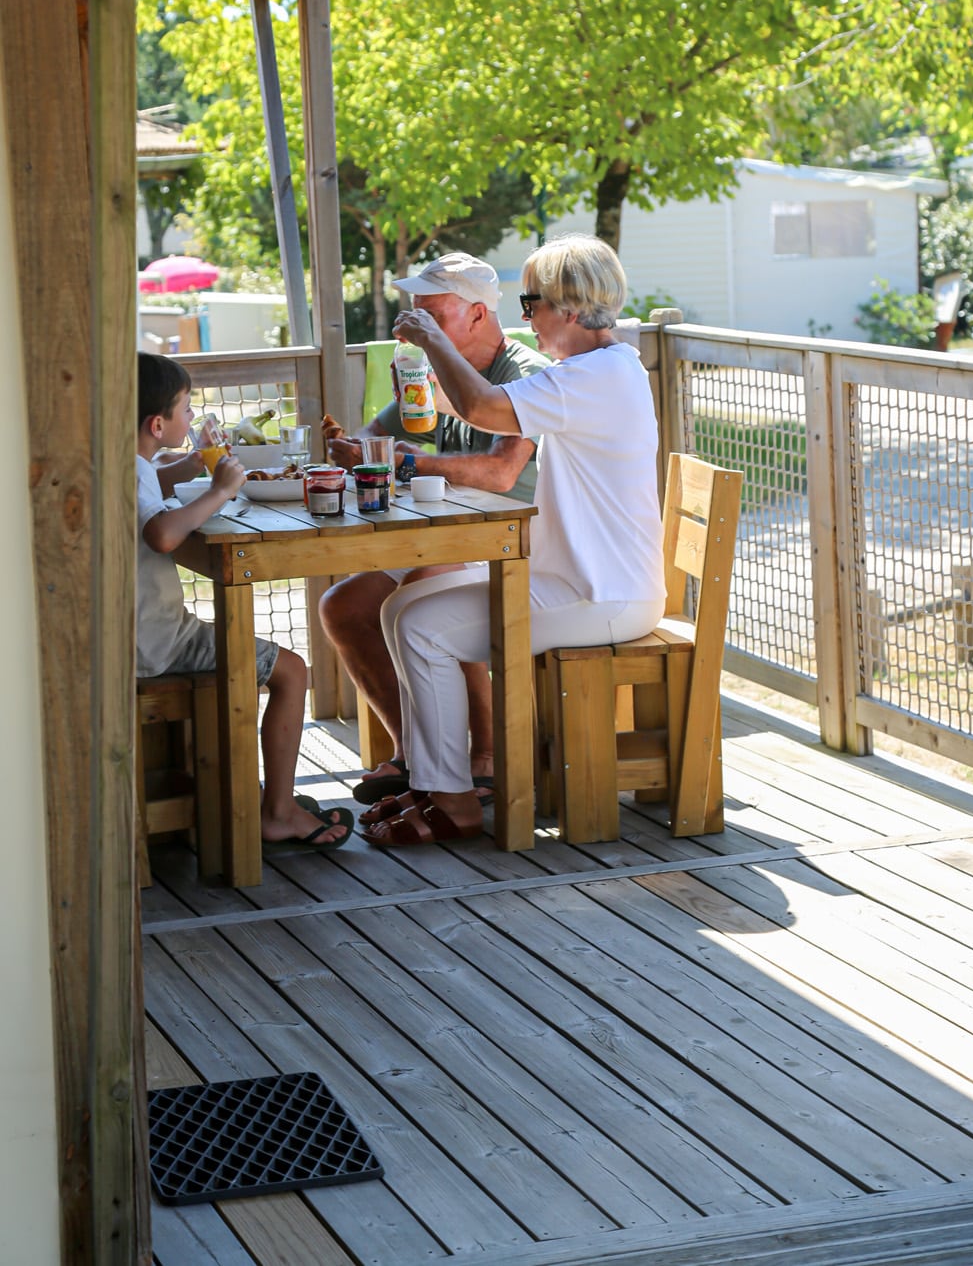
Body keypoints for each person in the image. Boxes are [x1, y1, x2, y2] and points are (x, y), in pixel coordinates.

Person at [361, 234, 666, 848]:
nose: (525, 321)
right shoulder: (599, 370)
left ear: (571, 309)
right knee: (400, 609)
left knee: (422, 628)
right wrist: (431, 383)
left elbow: (480, 405)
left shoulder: (594, 376)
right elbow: (473, 407)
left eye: (531, 306)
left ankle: (455, 801)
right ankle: (433, 782)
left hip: (599, 593)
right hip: (587, 580)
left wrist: (432, 338)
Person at [318, 254, 548, 807]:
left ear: (476, 314)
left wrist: (406, 463)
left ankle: (487, 758)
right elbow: (375, 436)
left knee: (428, 582)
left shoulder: (526, 373)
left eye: (430, 314)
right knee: (342, 608)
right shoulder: (426, 371)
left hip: (523, 547)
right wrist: (356, 450)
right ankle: (414, 754)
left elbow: (500, 472)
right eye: (413, 311)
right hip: (454, 537)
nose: (415, 325)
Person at [136, 353, 353, 850]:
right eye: (186, 410)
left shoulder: (121, 460)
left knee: (270, 659)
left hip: (127, 633)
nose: (192, 420)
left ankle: (256, 796)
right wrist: (219, 490)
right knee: (293, 670)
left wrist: (191, 465)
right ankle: (278, 812)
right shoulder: (135, 469)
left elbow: (149, 485)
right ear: (157, 422)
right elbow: (163, 535)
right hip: (156, 643)